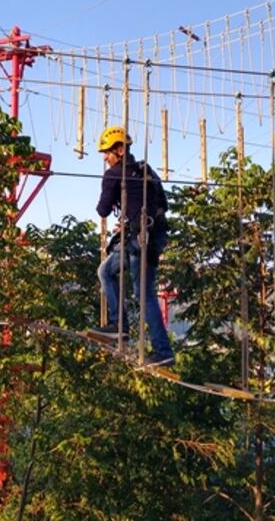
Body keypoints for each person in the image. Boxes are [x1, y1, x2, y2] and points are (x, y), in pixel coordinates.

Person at [91, 125, 175, 368]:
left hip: (140, 240)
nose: (105, 158)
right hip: (151, 235)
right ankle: (119, 326)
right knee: (105, 271)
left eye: (107, 153)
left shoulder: (113, 174)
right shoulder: (145, 169)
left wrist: (131, 219)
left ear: (119, 150)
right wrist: (134, 219)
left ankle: (162, 351)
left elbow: (102, 210)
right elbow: (164, 204)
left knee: (143, 294)